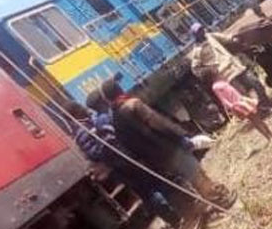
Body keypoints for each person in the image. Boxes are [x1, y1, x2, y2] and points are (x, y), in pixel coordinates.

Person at [99, 79, 237, 210]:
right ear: (119, 89)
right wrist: (181, 137)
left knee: (192, 176)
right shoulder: (133, 104)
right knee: (196, 173)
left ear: (107, 98)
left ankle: (218, 199)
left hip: (156, 158)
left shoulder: (115, 119)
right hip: (169, 149)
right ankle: (222, 201)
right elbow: (160, 125)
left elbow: (128, 145)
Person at [68, 100, 183, 228]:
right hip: (124, 158)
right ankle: (180, 205)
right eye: (80, 107)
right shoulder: (90, 125)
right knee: (151, 182)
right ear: (76, 112)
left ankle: (173, 219)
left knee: (143, 191)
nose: (83, 108)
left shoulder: (78, 135)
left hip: (114, 167)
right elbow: (107, 142)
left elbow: (90, 155)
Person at [187, 23, 272, 111]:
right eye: (199, 31)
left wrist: (235, 39)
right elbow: (195, 69)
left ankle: (265, 103)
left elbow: (227, 38)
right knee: (243, 95)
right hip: (225, 74)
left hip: (235, 66)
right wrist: (208, 71)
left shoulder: (211, 36)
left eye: (202, 29)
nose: (202, 31)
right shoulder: (197, 51)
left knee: (255, 82)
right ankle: (257, 111)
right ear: (196, 35)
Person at [199, 68, 272, 141]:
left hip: (241, 100)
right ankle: (269, 136)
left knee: (257, 118)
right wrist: (232, 106)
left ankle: (270, 134)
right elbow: (223, 99)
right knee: (255, 120)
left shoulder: (221, 81)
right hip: (238, 104)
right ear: (211, 76)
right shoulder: (215, 87)